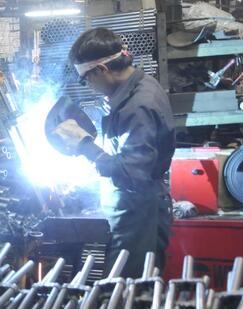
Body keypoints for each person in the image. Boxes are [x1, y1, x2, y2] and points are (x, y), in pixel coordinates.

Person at [53, 28, 176, 278]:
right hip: (134, 210)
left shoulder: (138, 105)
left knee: (128, 293)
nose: (87, 86)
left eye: (85, 78)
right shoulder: (136, 86)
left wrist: (84, 144)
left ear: (102, 70)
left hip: (139, 216)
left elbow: (132, 174)